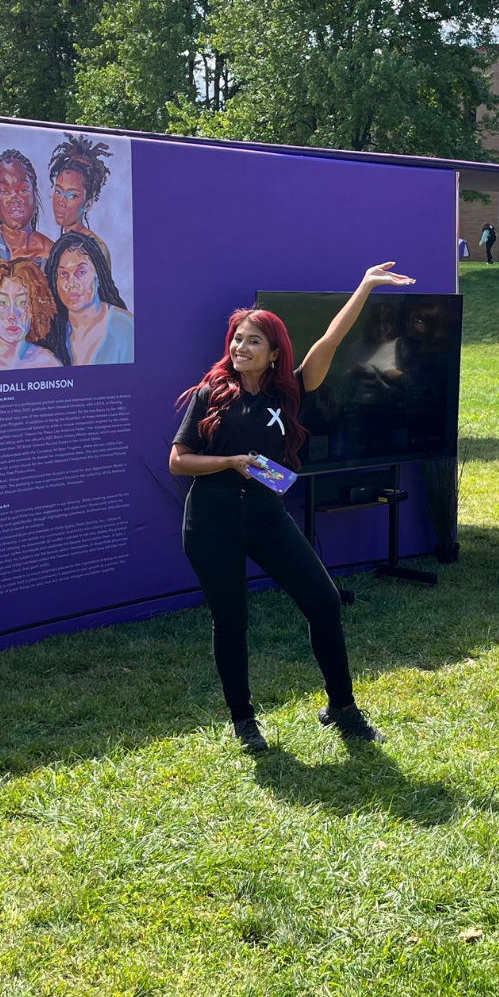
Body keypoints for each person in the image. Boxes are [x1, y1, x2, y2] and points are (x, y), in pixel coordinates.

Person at [169, 262, 414, 752]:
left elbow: (331, 340)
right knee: (231, 620)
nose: (240, 347)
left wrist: (365, 285)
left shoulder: (292, 390)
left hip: (264, 517)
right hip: (211, 522)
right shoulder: (209, 393)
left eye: (253, 341)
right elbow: (178, 461)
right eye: (237, 339)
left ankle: (342, 708)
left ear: (275, 351)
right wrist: (230, 461)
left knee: (323, 601)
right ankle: (243, 721)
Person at [47, 230, 133, 365]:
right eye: (63, 274)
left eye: (81, 272)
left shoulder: (126, 327)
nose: (72, 284)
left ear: (97, 274)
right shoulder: (50, 332)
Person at [47, 134, 112, 260]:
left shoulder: (94, 247)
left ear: (88, 204)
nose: (61, 202)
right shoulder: (60, 243)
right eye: (58, 192)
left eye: (72, 196)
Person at [0, 149, 55, 262]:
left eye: (23, 190)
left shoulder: (51, 254)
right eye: (4, 191)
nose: (14, 200)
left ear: (35, 195)